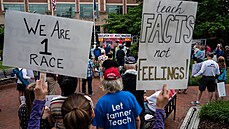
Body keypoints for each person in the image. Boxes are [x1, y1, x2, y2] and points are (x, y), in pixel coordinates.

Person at [121, 56, 145, 129]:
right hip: (139, 107)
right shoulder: (141, 79)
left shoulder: (121, 79)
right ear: (135, 66)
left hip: (125, 110)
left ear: (125, 66)